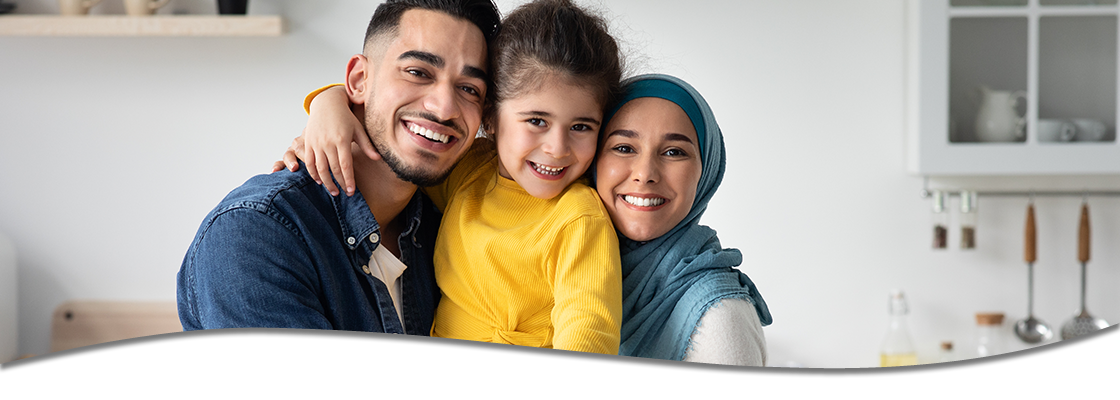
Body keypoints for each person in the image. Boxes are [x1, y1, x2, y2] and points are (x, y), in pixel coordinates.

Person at [287, 0, 624, 354]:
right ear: (490, 118)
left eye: (582, 126)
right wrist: (330, 103)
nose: (558, 148)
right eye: (537, 121)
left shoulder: (579, 219)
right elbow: (401, 143)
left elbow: (590, 331)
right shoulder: (470, 171)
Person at [176, 0, 502, 334]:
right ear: (359, 80)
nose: (445, 108)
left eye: (468, 89)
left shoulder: (448, 221)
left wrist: (328, 99)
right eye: (418, 72)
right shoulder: (256, 233)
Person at [595, 74, 772, 365]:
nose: (645, 173)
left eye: (674, 152)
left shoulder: (721, 318)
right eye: (624, 148)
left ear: (706, 171)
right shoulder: (571, 269)